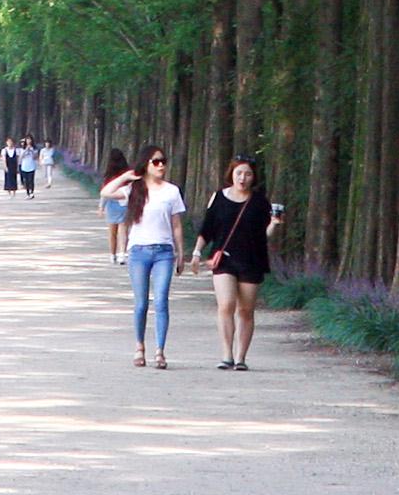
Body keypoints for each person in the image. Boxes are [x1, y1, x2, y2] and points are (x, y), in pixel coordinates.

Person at [193, 154, 283, 369]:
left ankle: (241, 357)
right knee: (226, 305)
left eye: (248, 174)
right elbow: (207, 229)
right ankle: (226, 355)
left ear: (253, 177)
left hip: (252, 260)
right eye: (239, 173)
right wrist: (197, 252)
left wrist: (274, 224)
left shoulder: (259, 202)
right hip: (224, 259)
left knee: (246, 310)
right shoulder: (218, 198)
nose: (243, 178)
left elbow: (262, 235)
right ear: (231, 174)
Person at [119, 146, 184, 367]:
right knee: (141, 304)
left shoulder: (172, 191)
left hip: (164, 252)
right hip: (139, 251)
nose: (161, 165)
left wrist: (181, 252)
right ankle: (139, 346)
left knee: (162, 300)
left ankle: (160, 350)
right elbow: (105, 192)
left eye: (163, 161)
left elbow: (176, 225)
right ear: (146, 164)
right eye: (156, 162)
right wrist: (127, 176)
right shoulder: (134, 189)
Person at [98, 150, 134, 264]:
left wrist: (101, 207)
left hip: (112, 204)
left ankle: (112, 255)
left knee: (112, 232)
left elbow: (104, 193)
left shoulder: (109, 175)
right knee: (123, 230)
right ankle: (122, 254)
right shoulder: (127, 174)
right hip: (125, 203)